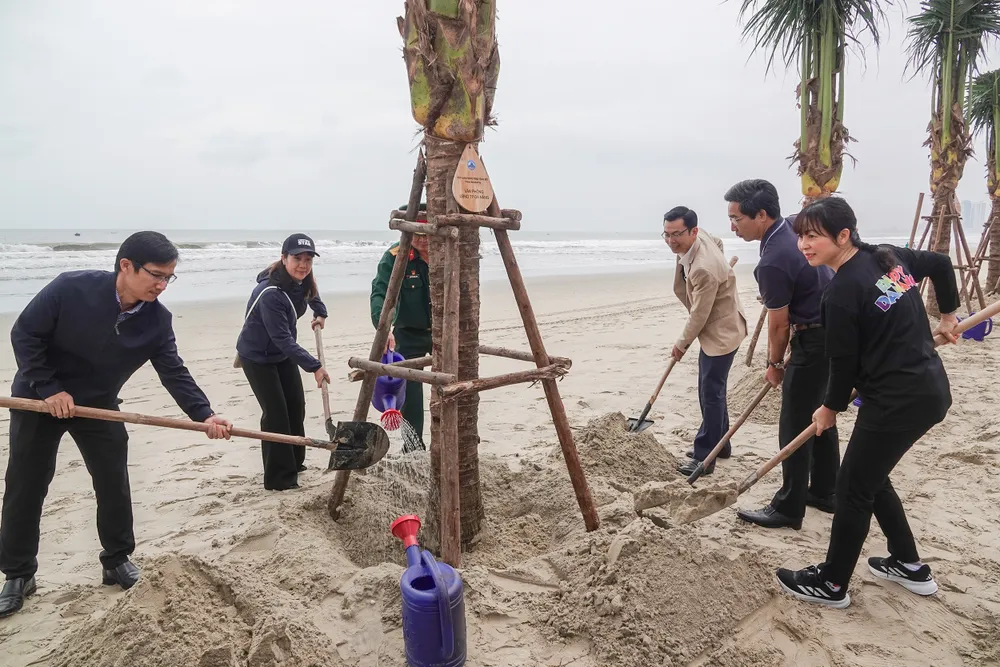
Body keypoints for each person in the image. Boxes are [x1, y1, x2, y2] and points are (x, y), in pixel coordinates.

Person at [0, 232, 233, 619]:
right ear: (126, 266)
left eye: (168, 278)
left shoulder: (157, 319)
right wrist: (50, 389)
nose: (161, 285)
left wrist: (205, 414)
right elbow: (25, 335)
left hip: (99, 403)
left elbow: (173, 371)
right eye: (156, 275)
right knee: (25, 483)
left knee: (113, 480)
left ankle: (116, 559)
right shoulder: (70, 288)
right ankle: (19, 574)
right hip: (39, 397)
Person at [776, 197, 959, 608]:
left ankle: (832, 583)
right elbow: (942, 265)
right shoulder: (887, 257)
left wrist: (828, 408)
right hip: (928, 389)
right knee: (870, 475)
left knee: (853, 486)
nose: (804, 245)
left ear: (843, 235)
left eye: (813, 236)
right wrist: (948, 314)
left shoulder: (839, 292)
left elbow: (842, 365)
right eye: (801, 236)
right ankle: (907, 563)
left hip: (897, 400)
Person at [724, 179, 840, 529]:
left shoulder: (773, 260)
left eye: (737, 218)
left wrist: (774, 364)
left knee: (794, 421)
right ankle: (824, 489)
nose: (732, 225)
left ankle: (790, 507)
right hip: (834, 331)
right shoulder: (795, 224)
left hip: (813, 338)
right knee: (822, 411)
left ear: (761, 214)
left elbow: (778, 325)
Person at [236, 233, 331, 491]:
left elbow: (312, 294)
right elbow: (283, 340)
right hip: (257, 357)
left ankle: (295, 462)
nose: (303, 264)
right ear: (283, 258)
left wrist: (320, 313)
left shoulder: (303, 279)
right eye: (297, 258)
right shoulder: (271, 294)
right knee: (276, 414)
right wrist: (315, 366)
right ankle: (280, 479)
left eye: (308, 259)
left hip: (281, 354)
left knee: (295, 407)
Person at [661, 207, 748, 476]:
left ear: (693, 231)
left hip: (721, 332)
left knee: (710, 393)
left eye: (677, 234)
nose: (671, 240)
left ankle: (705, 457)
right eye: (666, 234)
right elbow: (718, 244)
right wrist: (723, 268)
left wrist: (681, 344)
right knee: (712, 389)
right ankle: (721, 446)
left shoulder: (703, 270)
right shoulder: (704, 240)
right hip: (721, 324)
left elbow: (700, 315)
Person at [370, 203, 431, 449]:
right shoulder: (395, 257)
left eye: (429, 234)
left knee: (455, 387)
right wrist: (384, 328)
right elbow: (381, 295)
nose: (424, 241)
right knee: (411, 396)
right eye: (418, 234)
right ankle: (413, 449)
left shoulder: (449, 252)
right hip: (408, 333)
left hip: (444, 332)